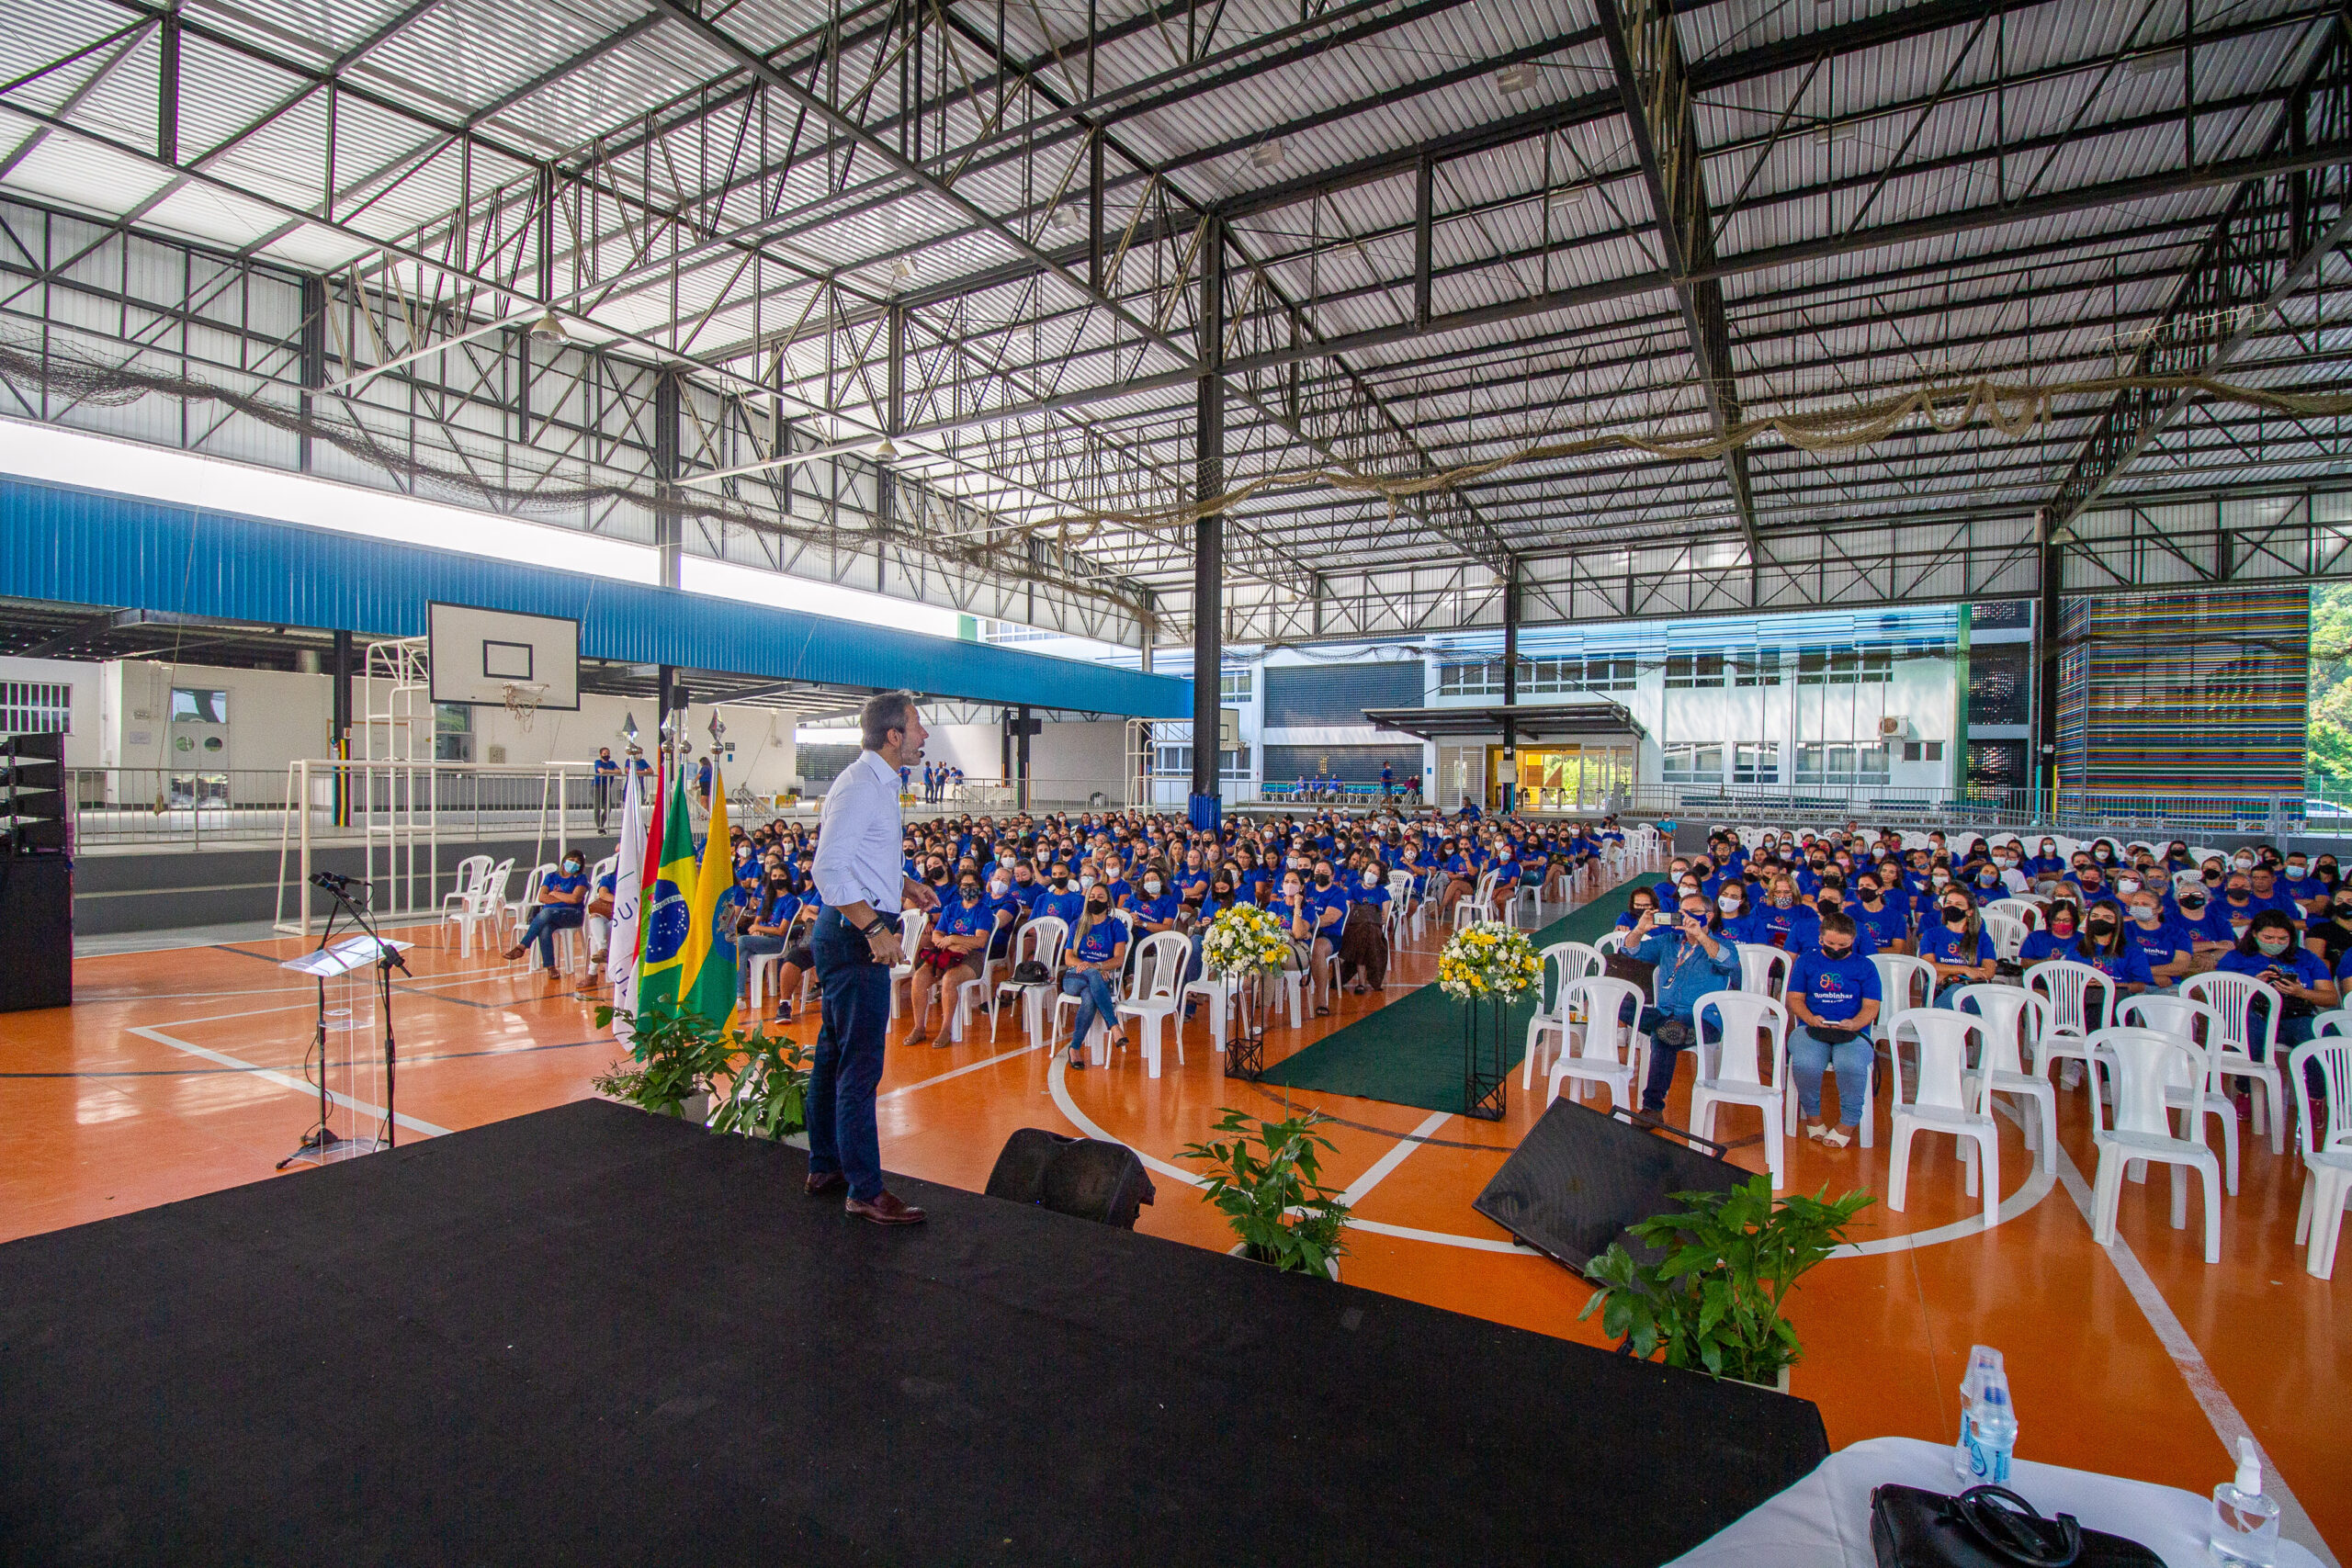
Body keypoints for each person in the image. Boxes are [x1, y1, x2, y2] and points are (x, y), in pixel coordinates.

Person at [808, 690, 939, 1226]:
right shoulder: (862, 787)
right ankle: (864, 1188)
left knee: (834, 1057)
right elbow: (827, 871)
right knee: (860, 1069)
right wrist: (874, 928)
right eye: (917, 727)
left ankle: (825, 1164)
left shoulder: (881, 785)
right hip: (852, 934)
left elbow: (865, 857)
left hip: (849, 927)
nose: (924, 736)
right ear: (893, 735)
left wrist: (905, 885)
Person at [1624, 892, 1742, 1122]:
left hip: (1702, 1019)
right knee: (1625, 1007)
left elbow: (1728, 962)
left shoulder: (1722, 944)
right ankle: (1671, 1030)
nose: (1686, 916)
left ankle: (1652, 1108)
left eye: (1693, 912)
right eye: (1682, 911)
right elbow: (1630, 950)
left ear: (1708, 915)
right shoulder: (1669, 941)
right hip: (1665, 1014)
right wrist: (1639, 930)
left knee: (1665, 1037)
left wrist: (1700, 934)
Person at [1785, 911, 1881, 1149]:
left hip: (1853, 1032)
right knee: (1805, 1063)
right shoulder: (1807, 961)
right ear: (1820, 939)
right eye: (1830, 943)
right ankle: (1813, 1116)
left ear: (1853, 941)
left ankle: (1848, 1121)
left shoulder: (1866, 966)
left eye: (1843, 945)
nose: (1836, 948)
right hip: (1812, 1027)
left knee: (1850, 1065)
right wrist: (1810, 1017)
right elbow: (1795, 998)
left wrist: (1856, 1023)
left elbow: (1871, 1006)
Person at [2215, 911, 2338, 1051]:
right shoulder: (2236, 958)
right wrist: (2253, 985)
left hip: (2296, 1014)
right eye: (2268, 937)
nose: (2275, 943)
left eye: (2282, 939)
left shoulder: (2306, 958)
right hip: (2253, 1013)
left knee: (2318, 1039)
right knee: (2247, 1026)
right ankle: (2247, 1071)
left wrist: (2302, 992)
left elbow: (2330, 998)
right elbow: (2221, 994)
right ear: (2255, 934)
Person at [906, 871, 993, 1045]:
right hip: (947, 952)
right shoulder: (951, 908)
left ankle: (946, 1029)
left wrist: (953, 938)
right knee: (919, 978)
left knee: (949, 979)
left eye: (972, 886)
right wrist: (951, 944)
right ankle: (919, 1028)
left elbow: (979, 940)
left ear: (979, 888)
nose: (968, 889)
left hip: (972, 956)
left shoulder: (984, 911)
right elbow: (936, 935)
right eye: (964, 886)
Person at [1057, 890, 1131, 1068]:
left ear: (1108, 902)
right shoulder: (1078, 924)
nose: (1094, 900)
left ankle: (1074, 1049)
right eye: (1091, 897)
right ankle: (1114, 1026)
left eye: (1100, 897)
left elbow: (1119, 960)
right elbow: (1068, 959)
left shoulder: (1116, 926)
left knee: (1089, 997)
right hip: (1073, 978)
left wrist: (1097, 967)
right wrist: (1093, 967)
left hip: (1098, 977)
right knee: (1091, 974)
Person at [506, 851, 588, 976]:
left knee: (547, 911)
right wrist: (564, 898)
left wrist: (554, 894)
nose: (574, 863)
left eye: (577, 862)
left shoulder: (581, 878)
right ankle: (551, 968)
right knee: (545, 927)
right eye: (572, 860)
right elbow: (542, 897)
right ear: (565, 861)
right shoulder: (551, 877)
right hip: (552, 915)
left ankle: (522, 946)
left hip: (572, 914)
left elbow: (574, 899)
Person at [592, 747, 619, 831]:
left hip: (607, 786)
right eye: (604, 753)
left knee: (608, 807)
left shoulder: (612, 763)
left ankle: (601, 824)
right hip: (598, 785)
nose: (606, 755)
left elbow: (619, 771)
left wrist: (607, 771)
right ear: (601, 755)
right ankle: (600, 827)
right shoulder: (598, 762)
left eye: (607, 753)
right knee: (598, 807)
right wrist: (611, 772)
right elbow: (601, 771)